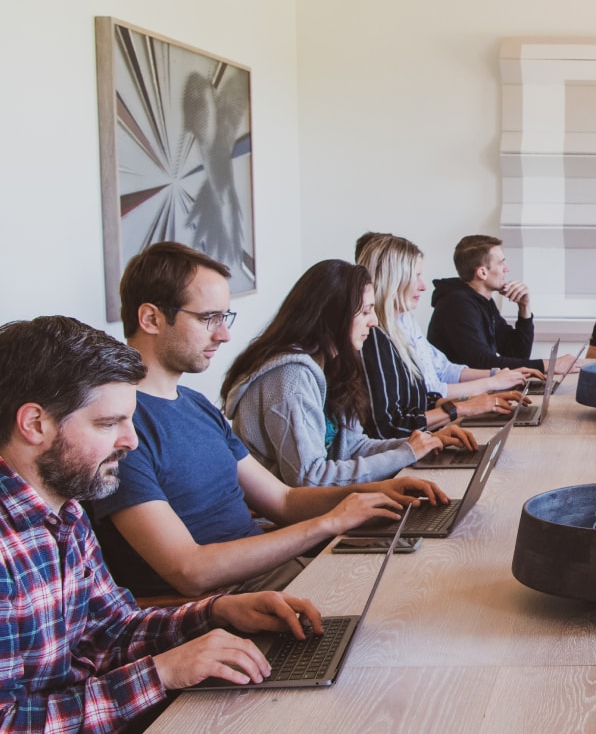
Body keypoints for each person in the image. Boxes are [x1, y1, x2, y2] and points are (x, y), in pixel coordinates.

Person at [0, 316, 323, 734]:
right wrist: (159, 674)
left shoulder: (64, 509)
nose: (129, 441)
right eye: (108, 424)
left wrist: (215, 614)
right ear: (35, 423)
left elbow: (111, 631)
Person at [91, 243, 445, 600]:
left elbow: (284, 501)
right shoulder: (119, 429)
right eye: (207, 318)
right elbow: (190, 571)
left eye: (223, 318)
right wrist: (330, 521)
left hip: (277, 573)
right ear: (150, 318)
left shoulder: (196, 405)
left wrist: (377, 491)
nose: (223, 334)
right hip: (237, 602)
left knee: (427, 582)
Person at [222, 259, 475, 481]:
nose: (374, 321)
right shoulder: (289, 378)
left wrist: (422, 443)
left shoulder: (332, 364)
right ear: (332, 317)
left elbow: (353, 447)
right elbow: (309, 478)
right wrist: (406, 454)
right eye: (365, 311)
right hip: (287, 520)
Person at [354, 233, 527, 436]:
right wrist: (469, 401)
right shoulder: (375, 337)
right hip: (405, 449)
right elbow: (391, 425)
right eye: (416, 276)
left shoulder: (402, 324)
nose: (423, 285)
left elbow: (426, 393)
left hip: (425, 434)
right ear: (395, 280)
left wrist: (482, 392)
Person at [428, 234, 569, 374]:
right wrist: (547, 365)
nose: (506, 268)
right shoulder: (457, 304)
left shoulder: (482, 301)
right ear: (482, 272)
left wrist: (524, 307)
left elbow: (517, 354)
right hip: (460, 394)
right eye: (501, 263)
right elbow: (481, 363)